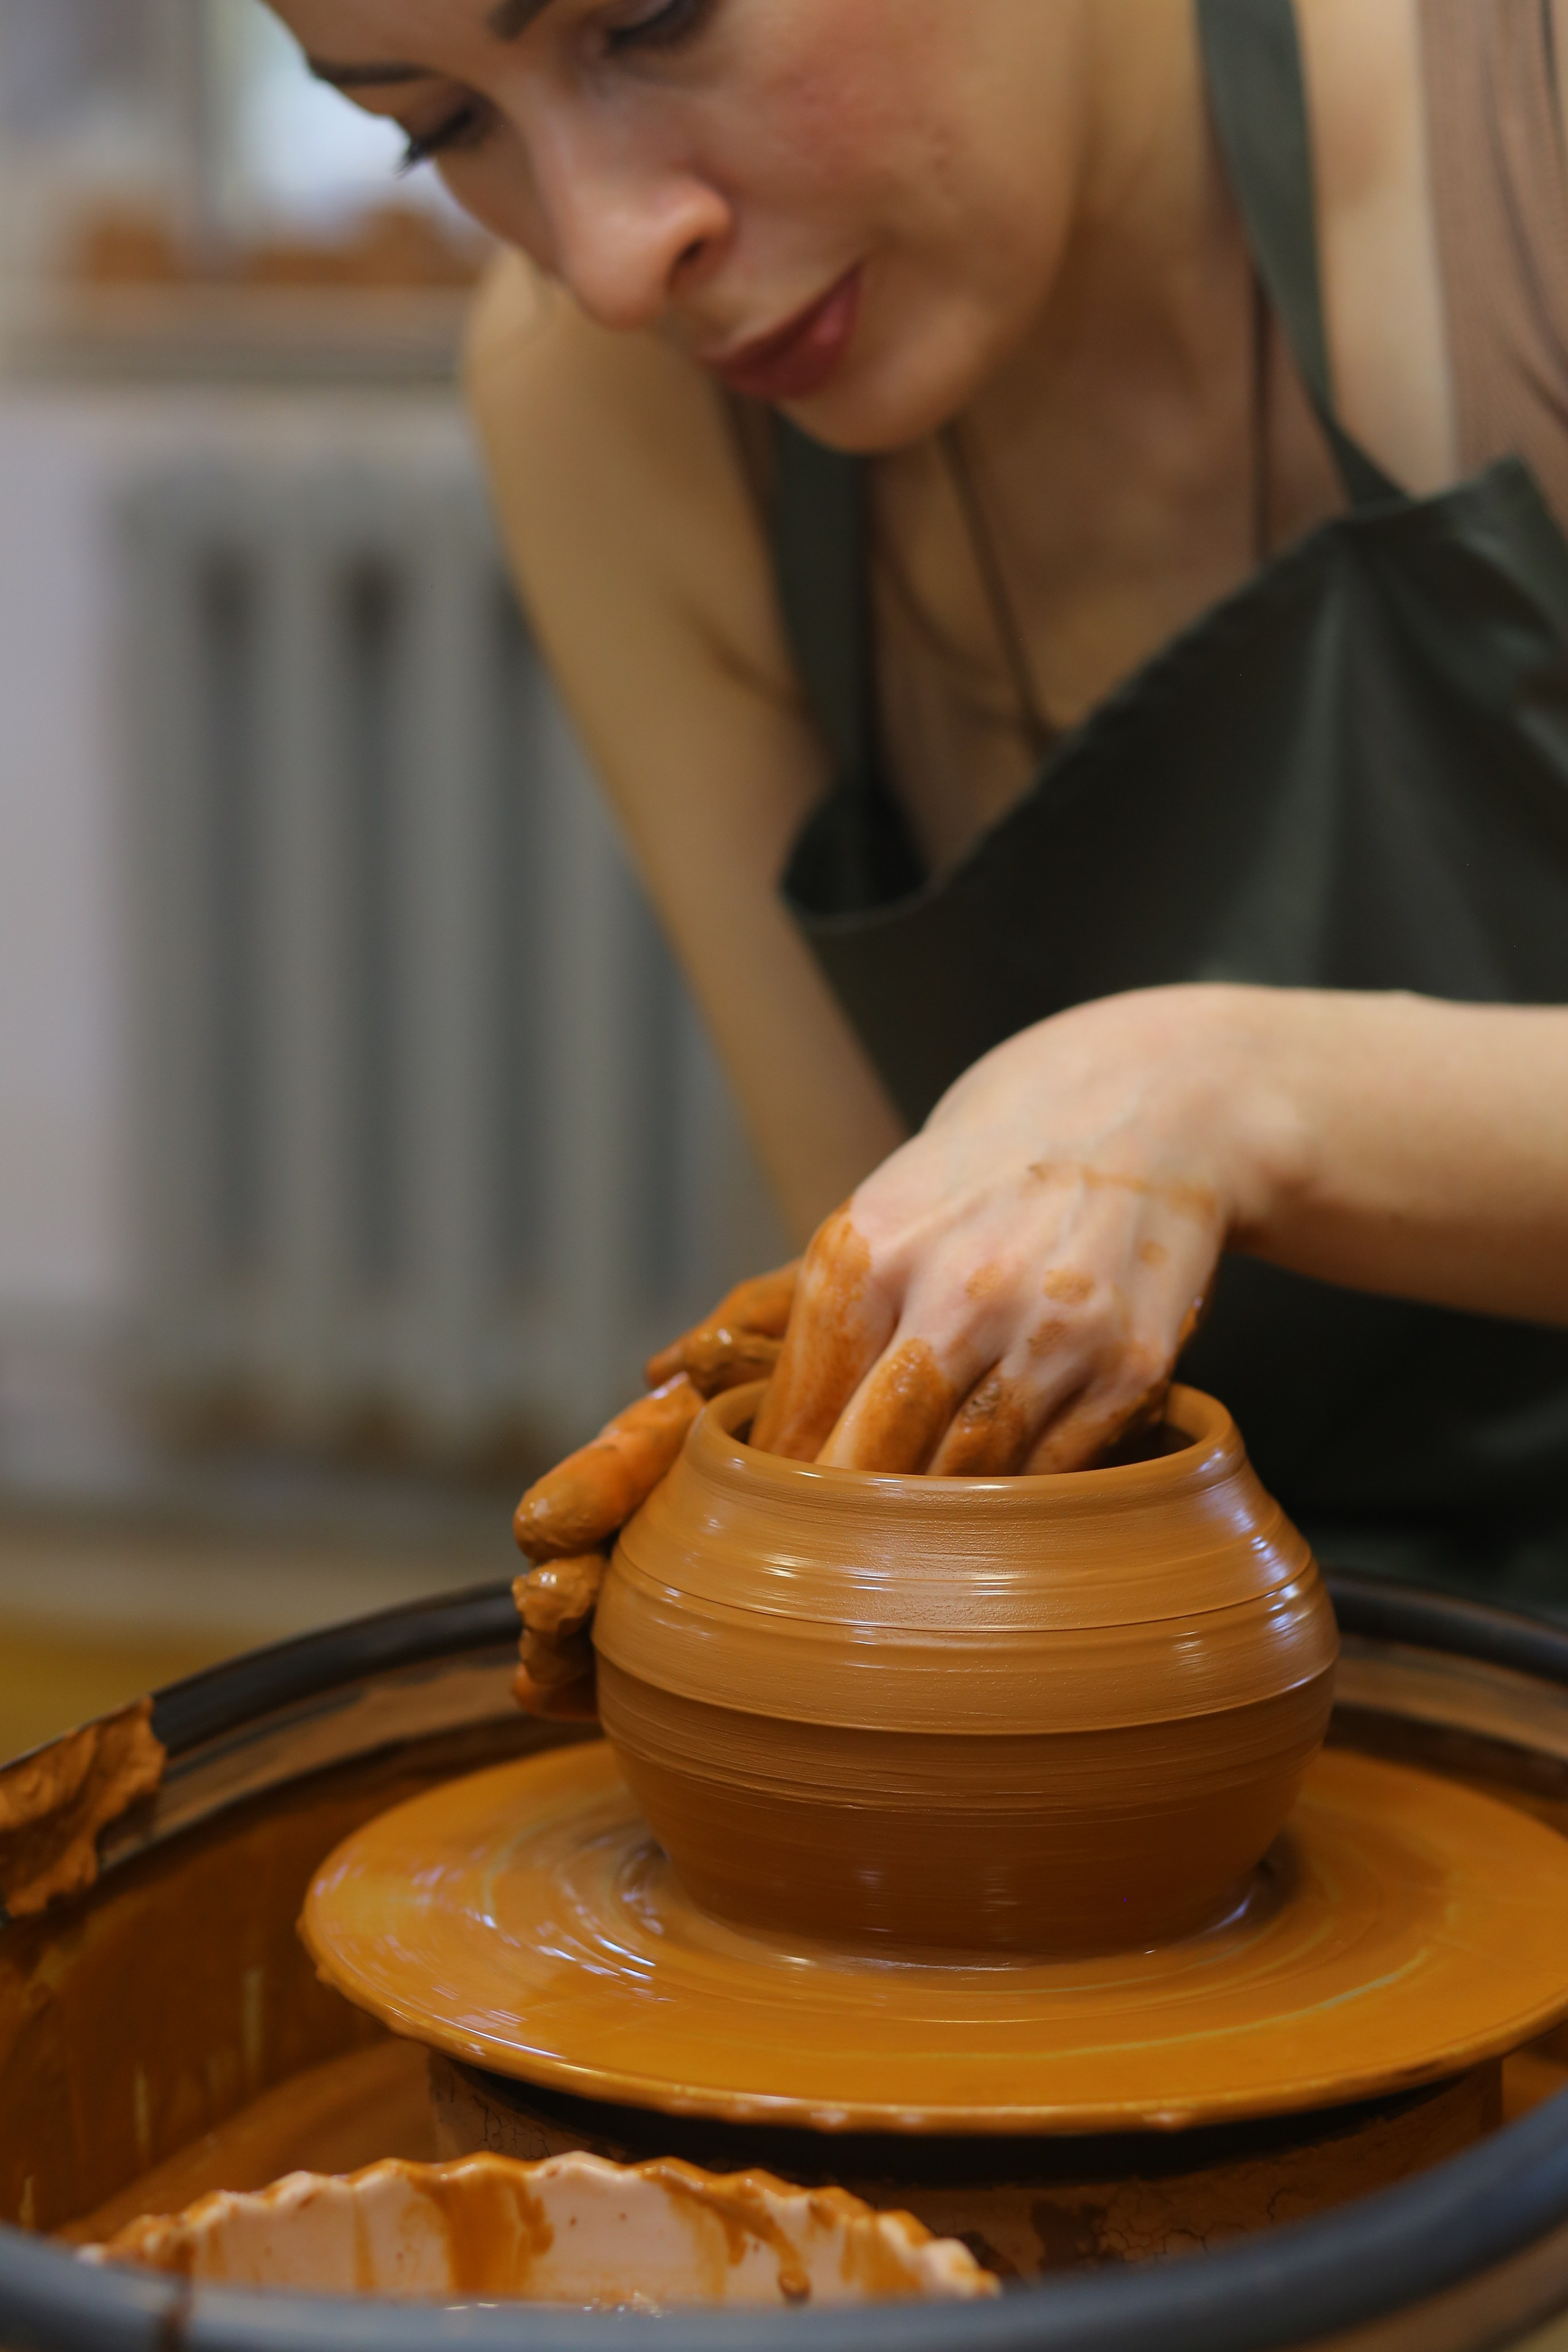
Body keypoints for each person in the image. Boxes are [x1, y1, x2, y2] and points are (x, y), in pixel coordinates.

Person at [268, 0, 1568, 1651]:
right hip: (1217, 1646)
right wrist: (785, 1471)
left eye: (656, 18)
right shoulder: (602, 404)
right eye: (441, 127)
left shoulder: (1527, 117)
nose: (609, 263)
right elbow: (899, 1298)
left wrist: (1214, 1092)